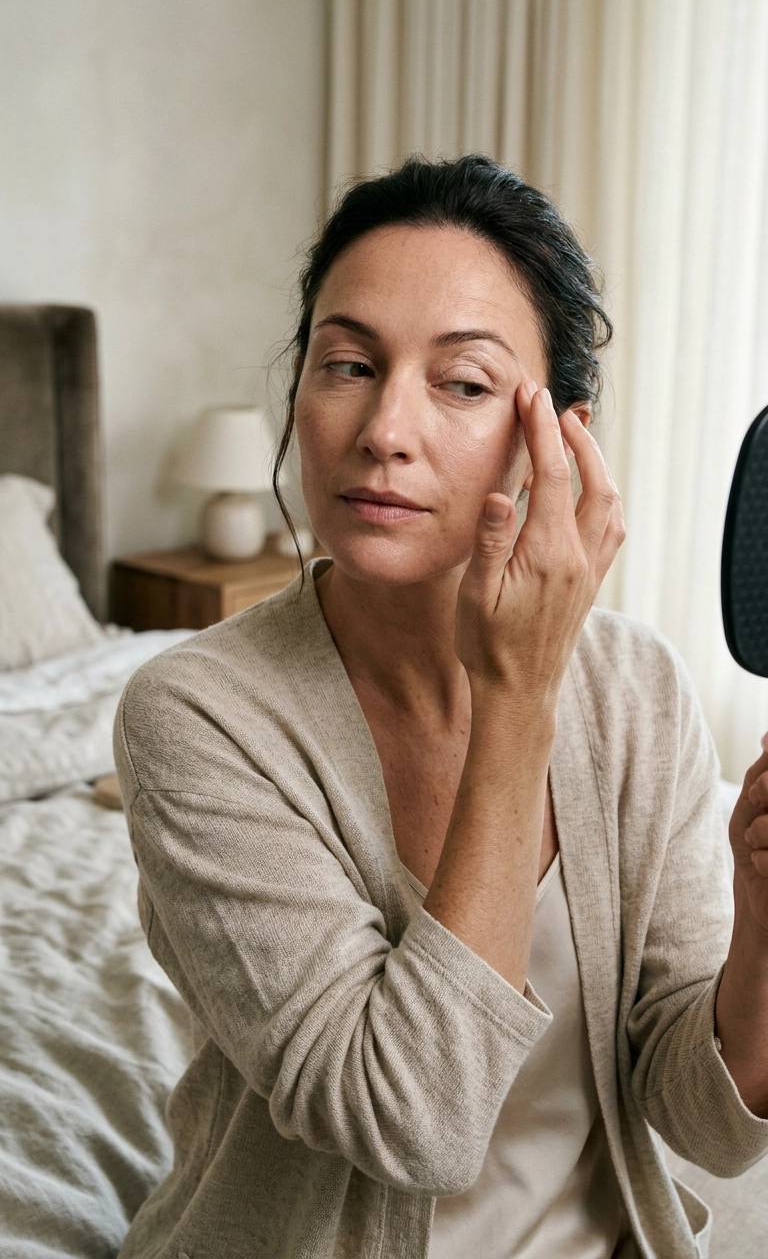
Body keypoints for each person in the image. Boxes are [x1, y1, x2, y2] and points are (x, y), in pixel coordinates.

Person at [115, 155, 768, 1259]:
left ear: (559, 435)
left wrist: (764, 911)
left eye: (462, 383)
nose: (383, 428)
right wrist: (515, 697)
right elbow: (412, 1121)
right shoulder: (193, 713)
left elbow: (704, 1119)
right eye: (349, 364)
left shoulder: (641, 692)